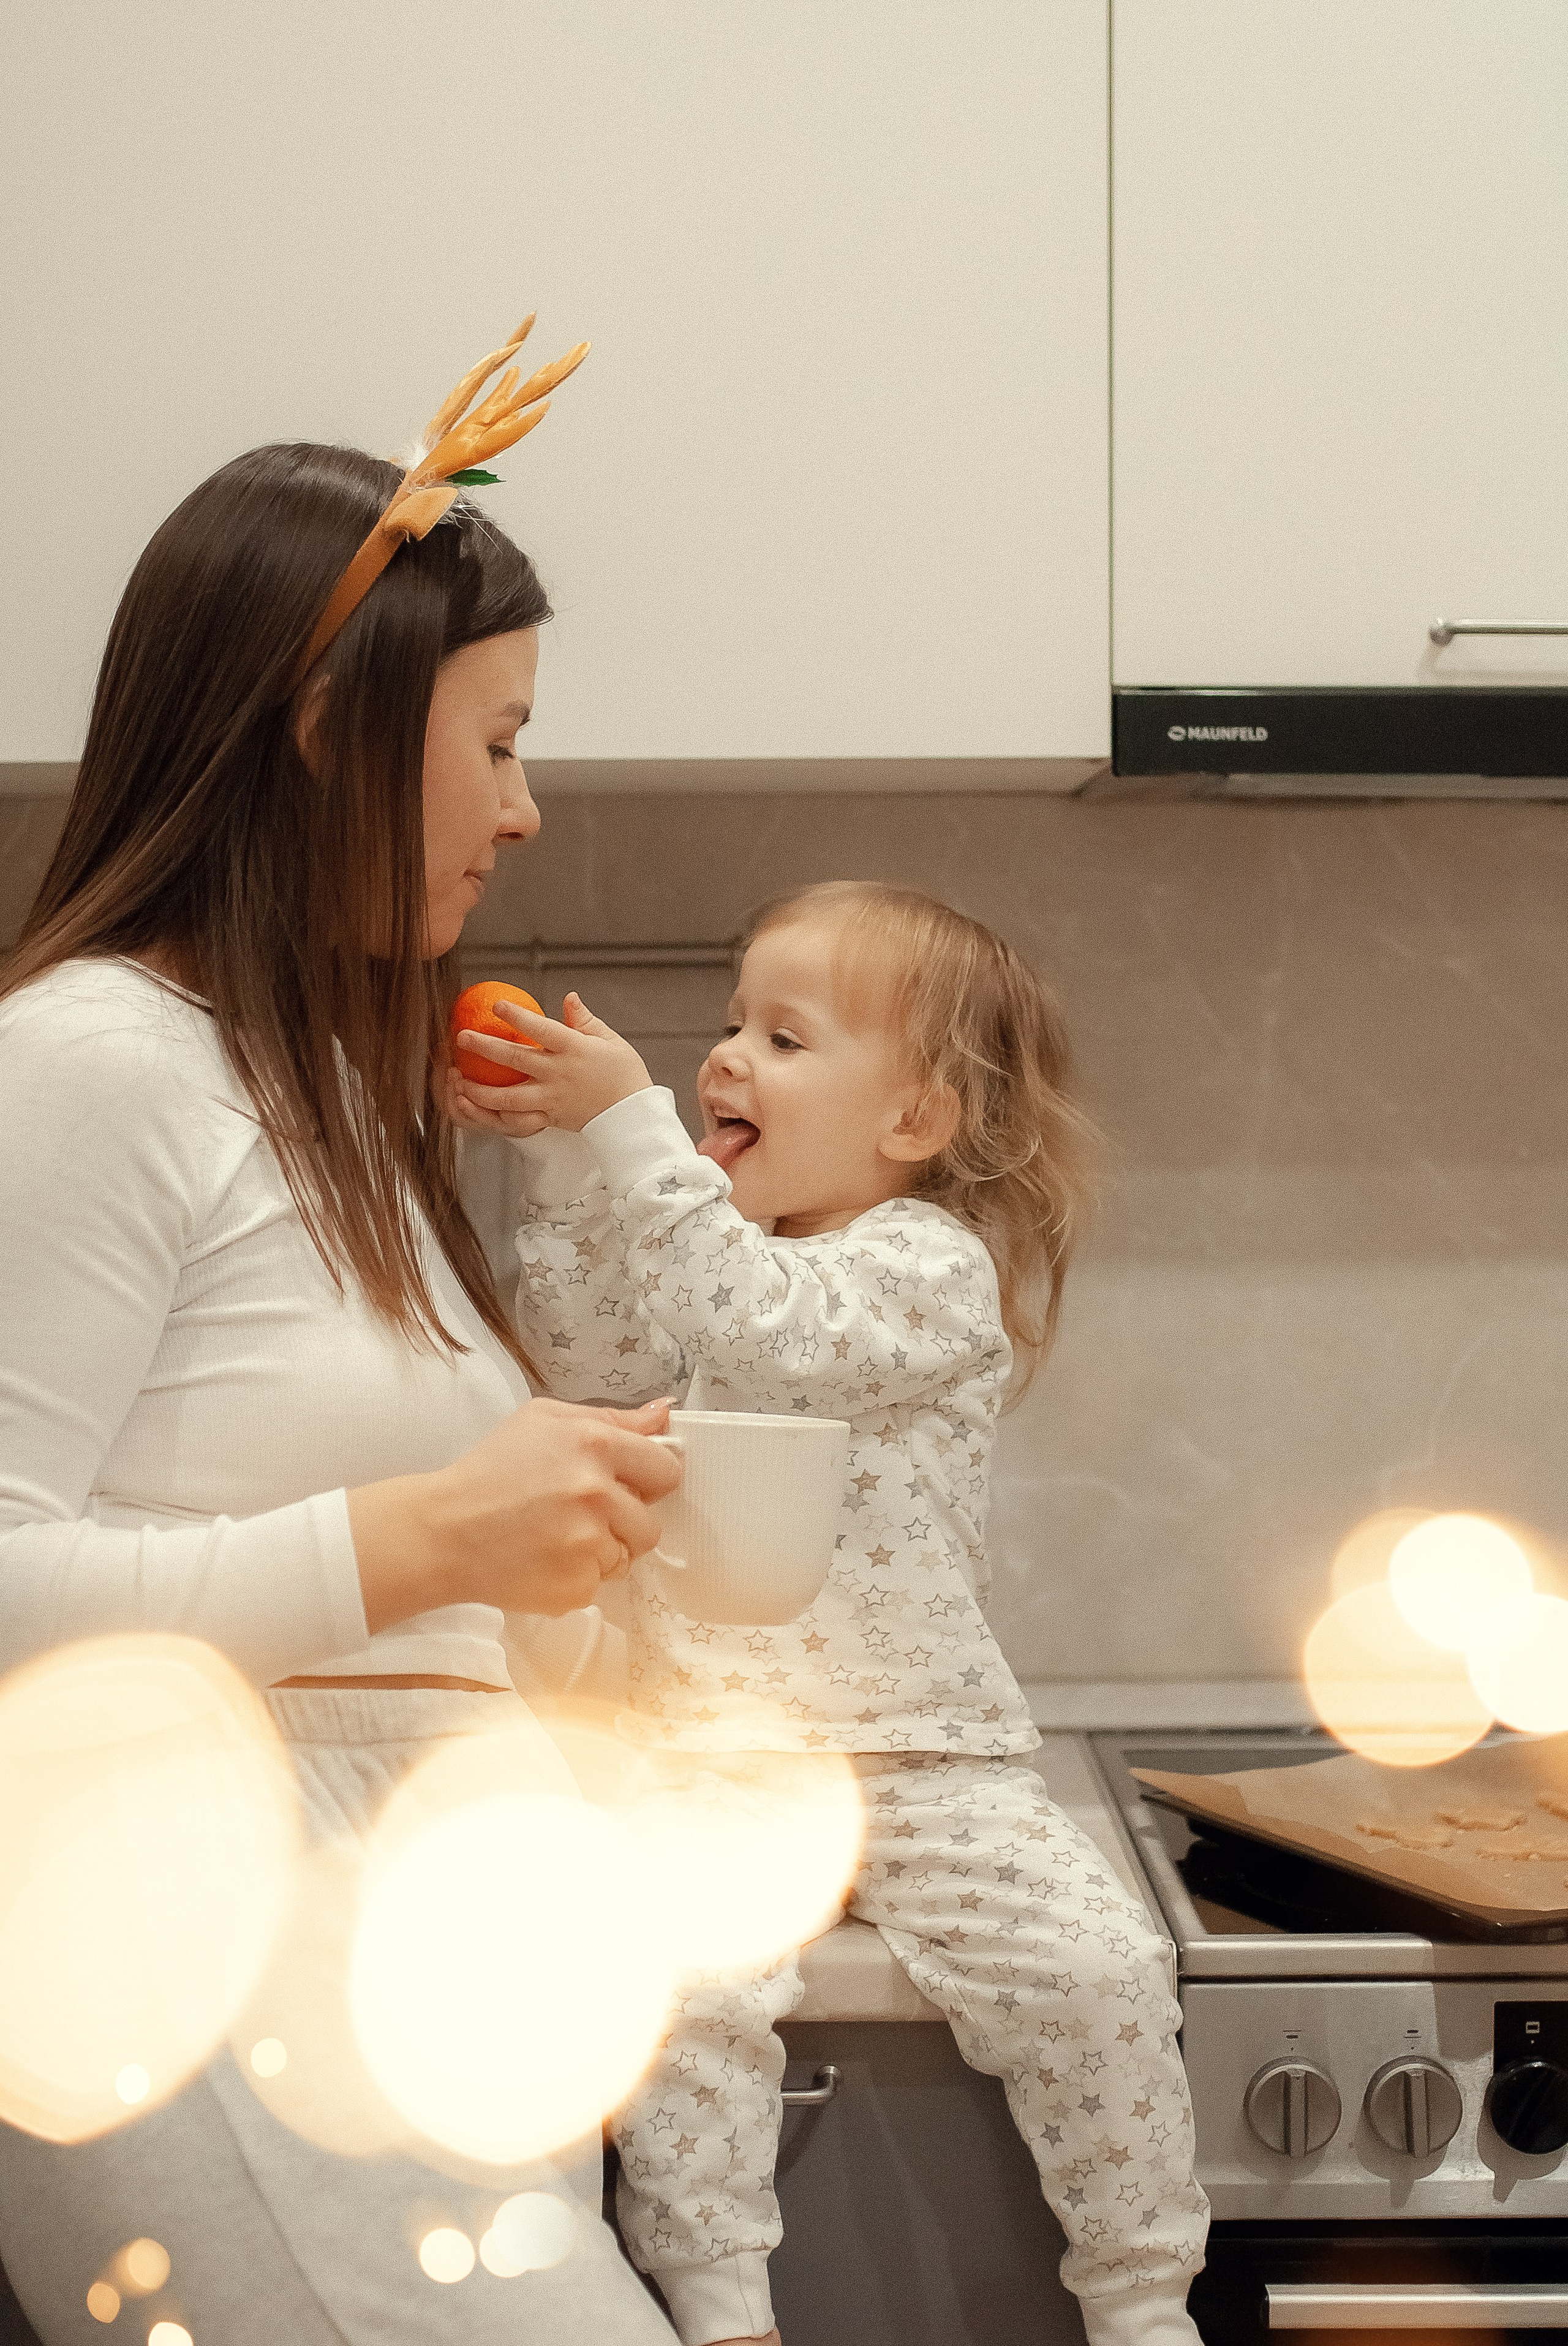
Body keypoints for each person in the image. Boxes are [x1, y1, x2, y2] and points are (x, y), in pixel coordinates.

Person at [0, 323, 684, 2345]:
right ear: (324, 731)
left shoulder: (316, 1092)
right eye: (499, 741)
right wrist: (430, 1534)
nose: (528, 809)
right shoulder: (90, 1063)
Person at [449, 882, 1212, 2346]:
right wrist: (568, 1159)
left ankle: (1138, 2300)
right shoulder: (710, 1254)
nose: (726, 1057)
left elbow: (763, 1328)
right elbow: (594, 1358)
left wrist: (633, 1134)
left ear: (913, 1121)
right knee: (676, 1974)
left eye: (783, 1039)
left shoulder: (924, 1266)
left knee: (1098, 1970)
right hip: (713, 1752)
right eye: (732, 1023)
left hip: (927, 1756)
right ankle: (722, 2303)